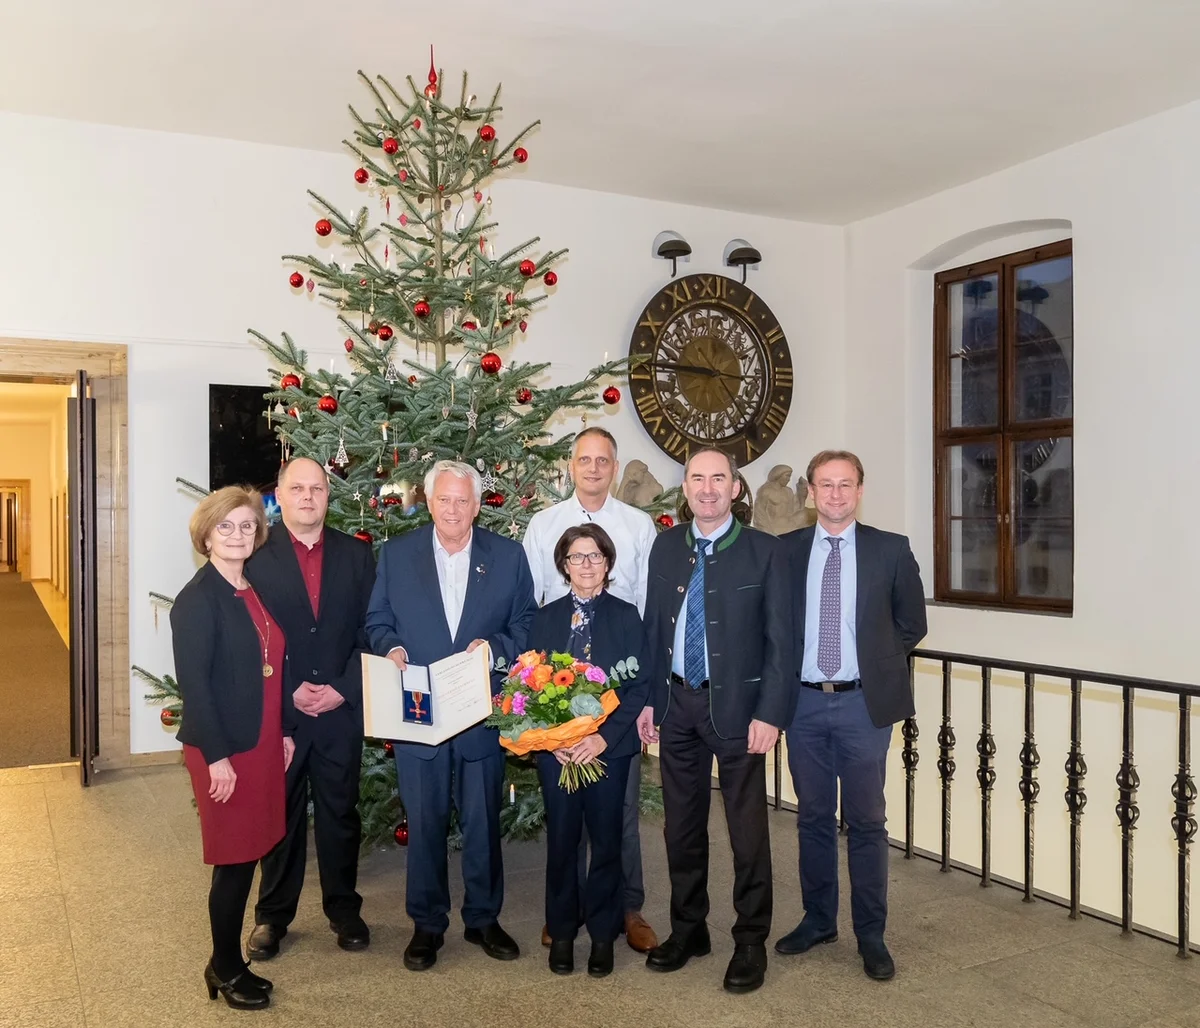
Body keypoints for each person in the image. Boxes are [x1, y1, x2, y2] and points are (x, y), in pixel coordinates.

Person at [366, 460, 537, 971]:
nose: (454, 509)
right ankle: (427, 923)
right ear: (430, 501)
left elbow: (526, 622)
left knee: (484, 821)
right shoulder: (397, 556)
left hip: (479, 711)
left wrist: (497, 648)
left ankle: (484, 918)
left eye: (463, 500)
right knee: (424, 821)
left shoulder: (507, 557)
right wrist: (391, 648)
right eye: (444, 500)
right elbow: (377, 620)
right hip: (419, 712)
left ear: (477, 505)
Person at [637, 448, 792, 994]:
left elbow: (781, 642)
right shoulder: (664, 546)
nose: (707, 488)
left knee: (747, 832)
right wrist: (650, 699)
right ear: (685, 487)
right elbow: (655, 628)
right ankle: (689, 928)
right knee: (680, 828)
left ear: (735, 488)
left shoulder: (764, 552)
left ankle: (750, 940)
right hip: (676, 704)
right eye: (697, 478)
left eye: (718, 479)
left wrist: (771, 713)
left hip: (738, 711)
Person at [776, 450, 927, 982]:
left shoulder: (891, 550)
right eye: (825, 485)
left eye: (845, 485)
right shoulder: (787, 552)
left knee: (867, 822)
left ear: (859, 490)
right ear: (811, 493)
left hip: (865, 705)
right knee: (813, 817)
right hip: (805, 703)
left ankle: (871, 935)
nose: (835, 494)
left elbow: (913, 623)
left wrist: (877, 663)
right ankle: (819, 920)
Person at [522, 426, 659, 953]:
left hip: (616, 694)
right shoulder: (544, 524)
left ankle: (626, 909)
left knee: (616, 815)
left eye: (604, 460)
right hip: (556, 699)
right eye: (585, 459)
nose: (594, 468)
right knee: (565, 824)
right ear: (571, 464)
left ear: (615, 465)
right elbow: (534, 605)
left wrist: (633, 705)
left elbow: (645, 612)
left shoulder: (638, 526)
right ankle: (565, 913)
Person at [244, 458, 376, 961]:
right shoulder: (254, 555)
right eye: (296, 488)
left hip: (339, 709)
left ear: (328, 494)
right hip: (282, 711)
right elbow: (250, 637)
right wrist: (287, 689)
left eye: (316, 488)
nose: (307, 496)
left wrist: (343, 687)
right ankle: (272, 916)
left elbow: (372, 630)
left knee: (342, 814)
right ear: (278, 493)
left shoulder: (357, 556)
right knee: (281, 815)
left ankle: (344, 910)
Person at [171, 486, 294, 1011]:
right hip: (224, 747)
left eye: (247, 526)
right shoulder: (197, 600)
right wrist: (217, 757)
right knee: (235, 858)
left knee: (252, 851)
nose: (239, 535)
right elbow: (194, 687)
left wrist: (284, 730)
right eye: (227, 527)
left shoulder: (249, 588)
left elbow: (270, 668)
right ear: (206, 534)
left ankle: (228, 961)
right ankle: (223, 965)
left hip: (262, 738)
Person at [529, 524, 651, 978]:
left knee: (606, 843)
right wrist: (554, 740)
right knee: (561, 842)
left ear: (607, 563)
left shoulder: (625, 616)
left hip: (608, 751)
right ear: (563, 565)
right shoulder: (545, 617)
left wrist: (603, 738)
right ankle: (562, 932)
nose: (586, 565)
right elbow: (526, 687)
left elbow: (638, 686)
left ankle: (602, 935)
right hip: (557, 753)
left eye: (595, 556)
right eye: (577, 557)